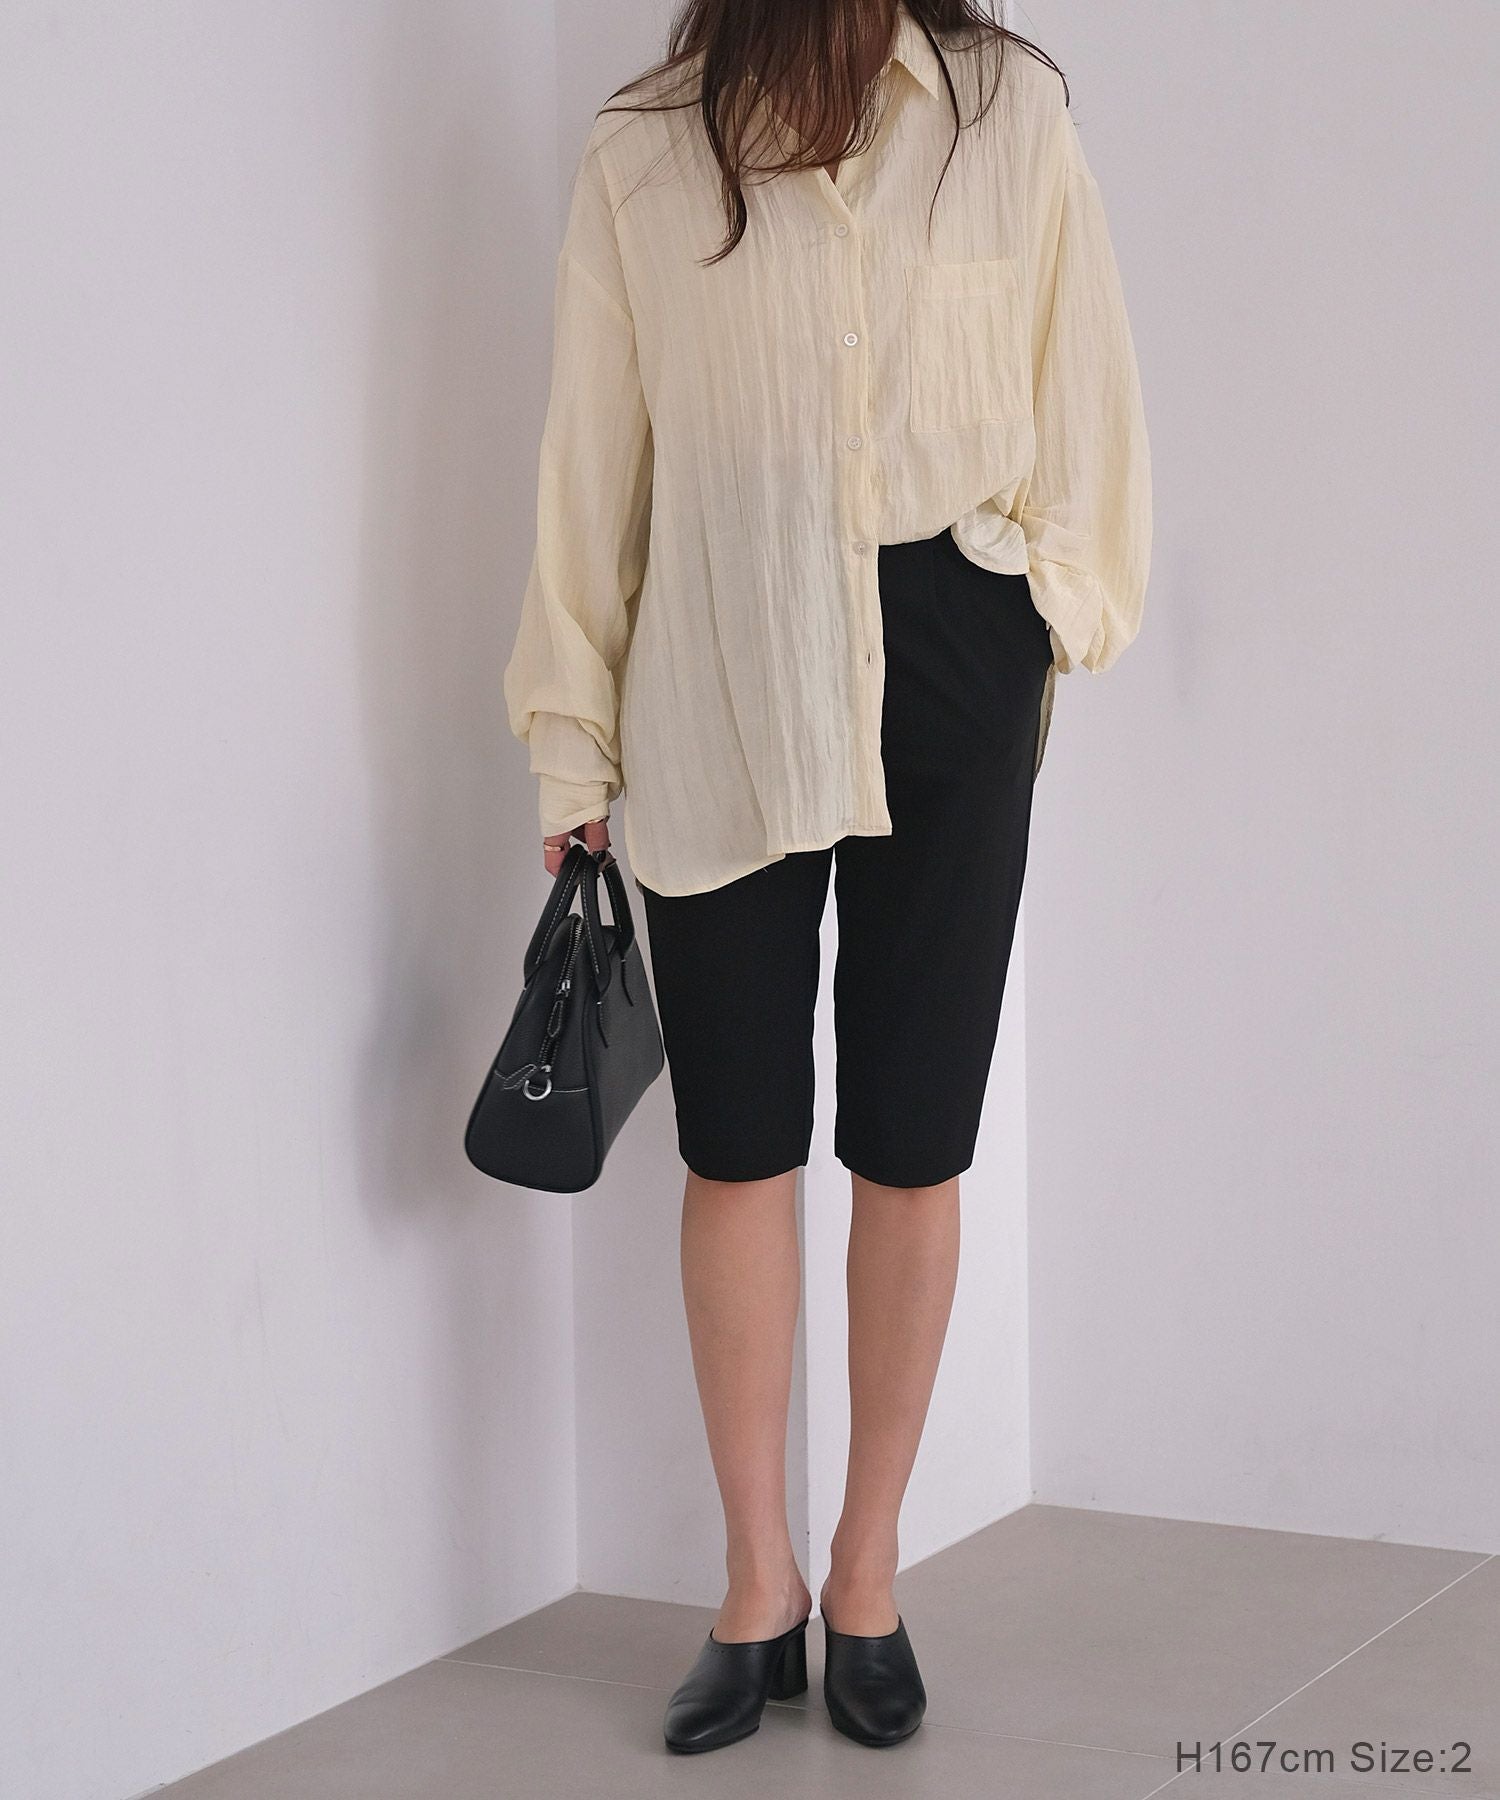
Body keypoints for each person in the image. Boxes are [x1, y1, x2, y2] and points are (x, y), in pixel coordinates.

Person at [502, 0, 1151, 1756]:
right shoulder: (648, 145)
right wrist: (573, 742)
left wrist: (1042, 616)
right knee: (738, 1142)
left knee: (913, 1137)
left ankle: (867, 1573)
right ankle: (753, 1586)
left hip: (953, 656)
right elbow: (593, 461)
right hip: (723, 657)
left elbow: (1084, 384)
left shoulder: (1009, 112)